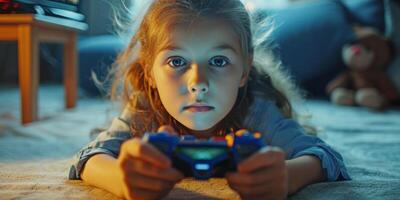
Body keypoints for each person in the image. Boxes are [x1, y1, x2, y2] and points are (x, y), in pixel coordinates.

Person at [68, 0, 350, 199]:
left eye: (218, 60)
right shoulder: (145, 107)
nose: (198, 83)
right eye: (176, 61)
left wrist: (288, 177)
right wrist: (119, 178)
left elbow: (328, 158)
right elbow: (87, 158)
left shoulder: (258, 108)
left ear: (244, 70)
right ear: (150, 73)